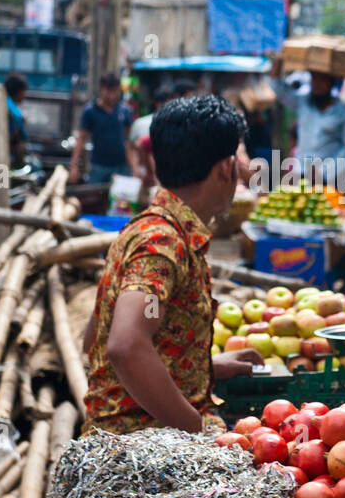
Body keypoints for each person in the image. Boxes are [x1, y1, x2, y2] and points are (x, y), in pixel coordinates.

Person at [80, 95, 265, 434]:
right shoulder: (161, 242)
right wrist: (197, 430)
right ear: (225, 168)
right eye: (237, 159)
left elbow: (95, 336)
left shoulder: (151, 229)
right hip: (140, 453)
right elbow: (126, 345)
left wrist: (204, 368)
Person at [272, 65, 345, 186]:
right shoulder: (303, 103)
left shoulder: (344, 114)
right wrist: (279, 59)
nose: (317, 85)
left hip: (328, 179)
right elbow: (277, 87)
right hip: (299, 172)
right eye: (314, 80)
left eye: (322, 80)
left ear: (331, 83)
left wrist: (324, 171)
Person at [70, 73, 133, 185]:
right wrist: (74, 166)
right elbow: (81, 139)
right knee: (94, 199)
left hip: (121, 166)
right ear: (101, 89)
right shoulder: (90, 111)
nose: (112, 95)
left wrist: (134, 167)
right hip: (98, 166)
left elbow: (129, 142)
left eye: (115, 91)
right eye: (109, 91)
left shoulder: (125, 111)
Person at [3, 73, 29, 166]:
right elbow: (22, 135)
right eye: (24, 91)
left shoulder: (6, 101)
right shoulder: (14, 112)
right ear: (18, 91)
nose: (25, 95)